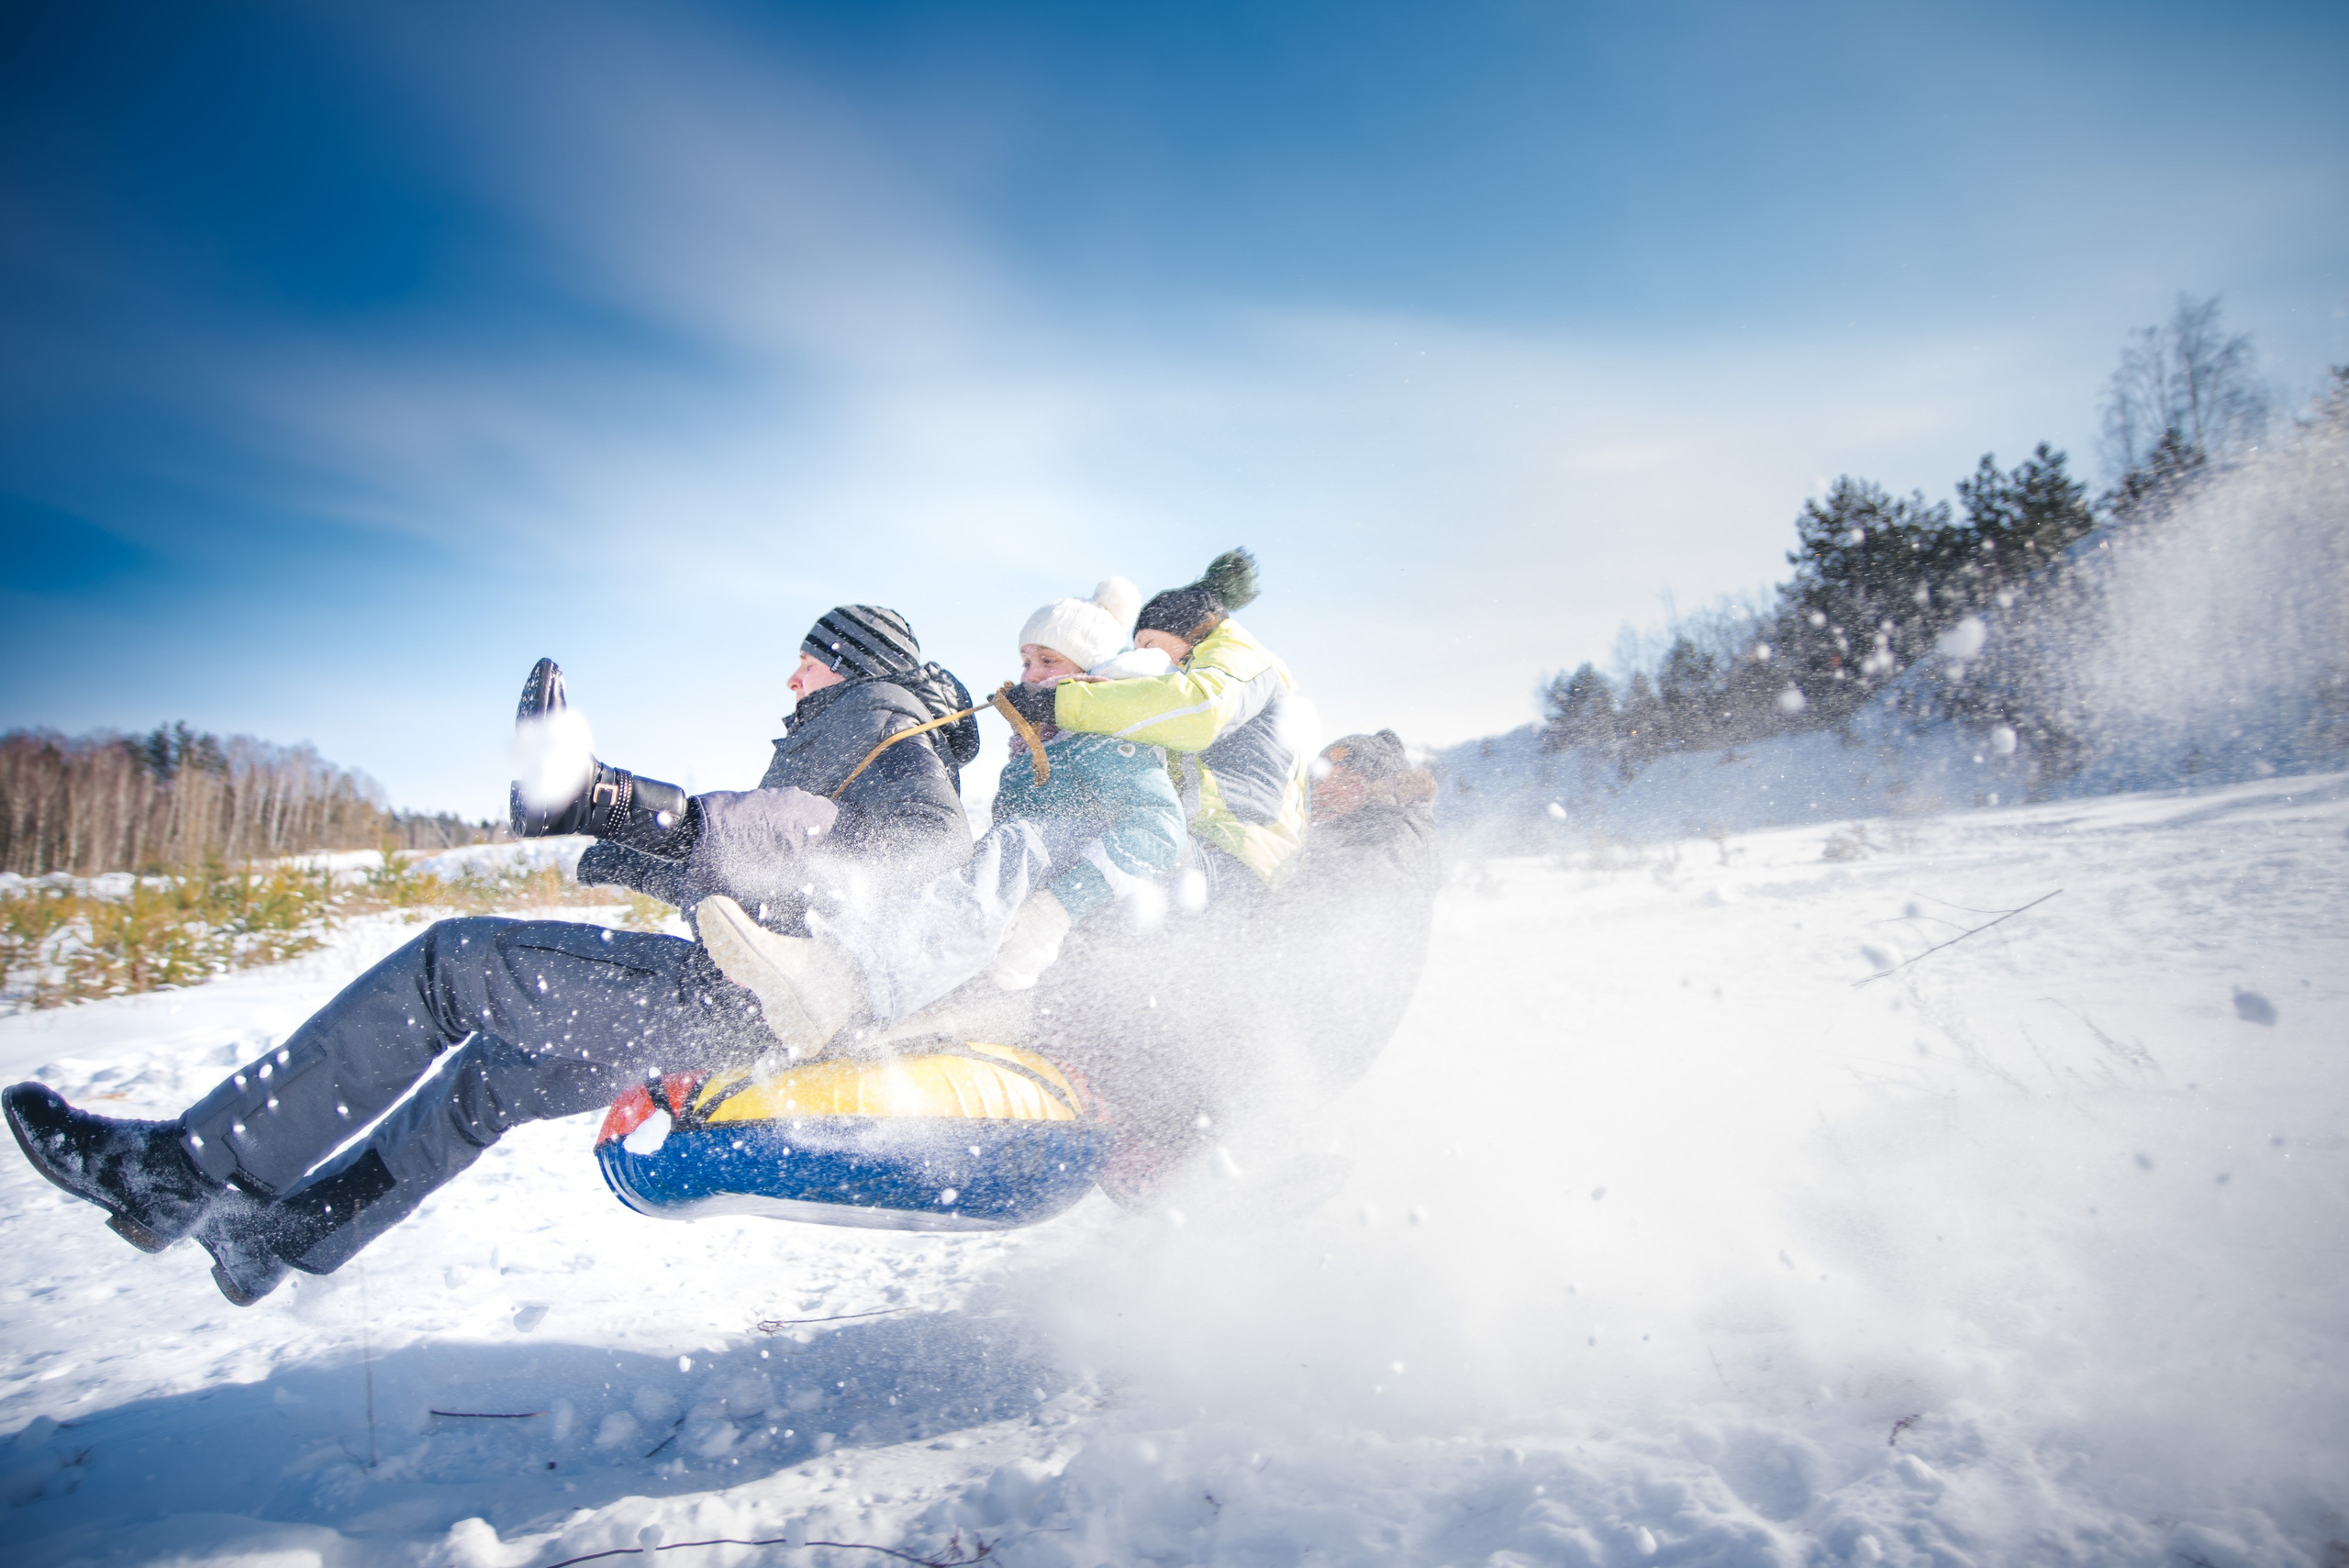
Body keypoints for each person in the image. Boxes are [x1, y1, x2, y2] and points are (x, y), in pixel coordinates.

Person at [3, 605, 977, 1306]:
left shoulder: (882, 718)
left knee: (453, 965)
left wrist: (646, 811)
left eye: (806, 660)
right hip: (749, 1006)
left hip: (746, 1008)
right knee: (491, 1079)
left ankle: (183, 1167)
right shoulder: (849, 735)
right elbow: (796, 881)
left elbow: (909, 843)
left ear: (848, 658)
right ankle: (286, 1229)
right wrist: (651, 856)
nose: (791, 678)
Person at [696, 578, 1186, 1055]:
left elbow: (1159, 830)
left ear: (1091, 667)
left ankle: (840, 976)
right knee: (975, 862)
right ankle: (889, 1018)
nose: (1030, 675)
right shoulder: (1035, 746)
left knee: (1019, 843)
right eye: (1026, 661)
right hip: (1040, 914)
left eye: (1049, 660)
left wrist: (1057, 909)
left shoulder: (1104, 737)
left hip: (1113, 900)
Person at [1031, 729, 1442, 1200]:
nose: (1326, 793)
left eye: (1345, 781)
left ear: (1379, 789)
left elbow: (1323, 935)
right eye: (1322, 781)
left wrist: (1227, 949)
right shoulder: (1368, 836)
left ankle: (1189, 1166)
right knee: (1152, 1020)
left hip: (1308, 1033)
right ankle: (1173, 1168)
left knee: (1138, 1010)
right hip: (1304, 1034)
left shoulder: (1386, 840)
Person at [996, 548, 1308, 908]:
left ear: (1187, 631)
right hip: (1205, 843)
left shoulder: (1240, 658)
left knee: (1107, 860)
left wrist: (1059, 704)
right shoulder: (1199, 670)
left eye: (1147, 643)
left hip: (1236, 850)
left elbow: (1198, 710)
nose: (1143, 656)